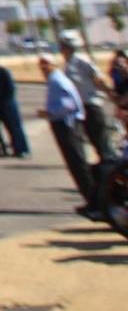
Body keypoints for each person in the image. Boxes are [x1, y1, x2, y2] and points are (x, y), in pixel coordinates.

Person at [39, 56, 102, 220]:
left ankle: (96, 203)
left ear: (54, 65)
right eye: (41, 65)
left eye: (46, 64)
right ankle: (91, 201)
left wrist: (50, 112)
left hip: (68, 125)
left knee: (79, 164)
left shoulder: (58, 80)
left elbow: (70, 104)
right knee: (75, 165)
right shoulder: (54, 79)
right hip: (63, 124)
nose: (43, 68)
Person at [59, 37, 120, 164]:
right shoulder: (68, 64)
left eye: (63, 47)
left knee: (101, 139)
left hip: (92, 105)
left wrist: (112, 96)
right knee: (93, 139)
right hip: (81, 107)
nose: (61, 50)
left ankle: (111, 166)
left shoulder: (81, 61)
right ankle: (105, 166)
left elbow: (98, 78)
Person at [0, 52, 29, 159]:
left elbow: (10, 88)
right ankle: (4, 149)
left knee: (14, 127)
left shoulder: (3, 71)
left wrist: (4, 100)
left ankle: (21, 149)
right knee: (0, 127)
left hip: (7, 103)